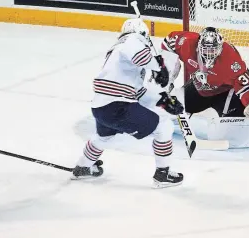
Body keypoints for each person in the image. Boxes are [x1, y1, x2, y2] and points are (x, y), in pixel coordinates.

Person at [71, 19, 185, 188]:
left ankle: (83, 166)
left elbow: (137, 93)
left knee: (103, 137)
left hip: (101, 107)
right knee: (164, 127)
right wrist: (158, 66)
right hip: (118, 107)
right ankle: (163, 174)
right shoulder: (132, 40)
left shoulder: (118, 54)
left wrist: (163, 100)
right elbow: (141, 57)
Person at [160, 27, 249, 148]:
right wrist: (167, 75)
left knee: (232, 133)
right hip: (199, 90)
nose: (209, 55)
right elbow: (168, 43)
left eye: (213, 51)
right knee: (166, 107)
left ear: (220, 47)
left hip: (225, 94)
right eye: (205, 50)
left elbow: (245, 86)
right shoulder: (186, 42)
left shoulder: (231, 60)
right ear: (199, 45)